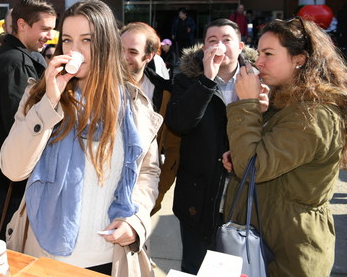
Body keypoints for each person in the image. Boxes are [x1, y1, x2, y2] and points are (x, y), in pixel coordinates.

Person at [1, 0, 162, 276]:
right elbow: (13, 169)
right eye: (67, 40)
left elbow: (147, 172)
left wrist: (135, 222)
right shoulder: (40, 96)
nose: (75, 50)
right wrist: (49, 101)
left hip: (109, 260)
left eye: (87, 40)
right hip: (44, 257)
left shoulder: (134, 104)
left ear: (108, 43)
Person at [222, 17, 347, 276]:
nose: (258, 62)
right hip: (265, 242)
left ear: (299, 59)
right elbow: (261, 156)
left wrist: (246, 106)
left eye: (269, 53)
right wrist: (259, 118)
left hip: (289, 251)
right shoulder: (288, 104)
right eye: (259, 53)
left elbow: (254, 167)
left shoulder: (314, 114)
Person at [165, 18, 258, 274]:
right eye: (212, 40)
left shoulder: (258, 80)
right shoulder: (187, 80)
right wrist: (207, 79)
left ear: (240, 46)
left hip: (243, 197)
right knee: (196, 267)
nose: (219, 46)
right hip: (198, 196)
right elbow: (180, 123)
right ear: (203, 48)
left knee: (239, 269)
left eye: (226, 40)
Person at [0, 0, 57, 239]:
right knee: (8, 245)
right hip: (13, 177)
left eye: (52, 30)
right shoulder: (17, 63)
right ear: (22, 25)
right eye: (44, 29)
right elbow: (20, 126)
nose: (50, 36)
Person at [120, 22, 181, 215]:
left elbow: (173, 150)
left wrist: (157, 193)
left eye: (132, 52)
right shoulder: (97, 87)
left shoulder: (164, 94)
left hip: (140, 194)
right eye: (120, 49)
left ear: (149, 56)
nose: (123, 57)